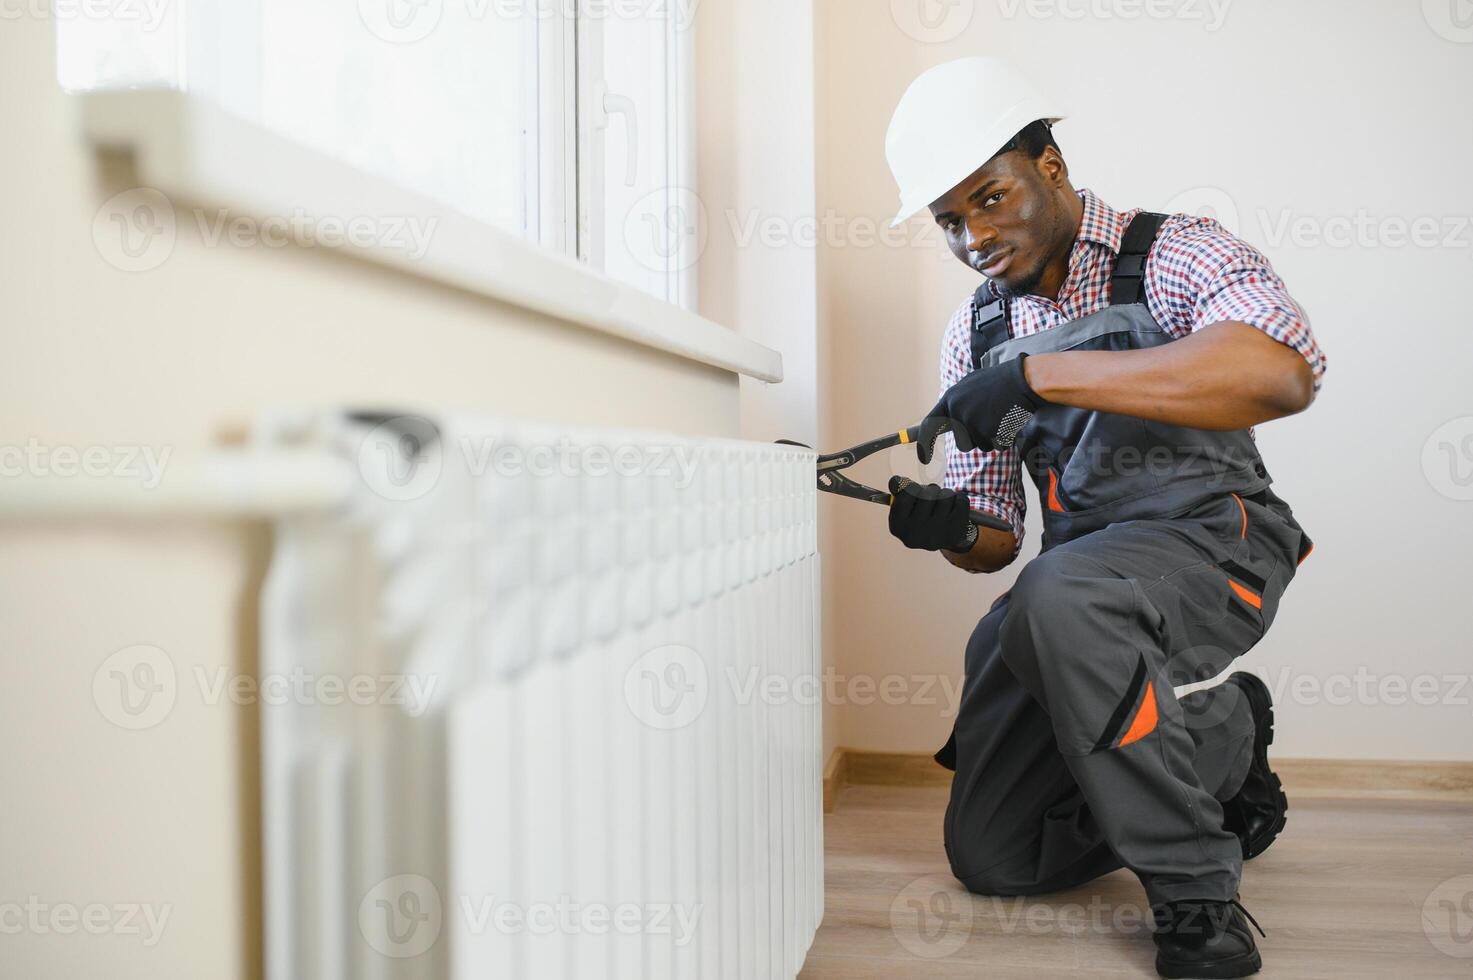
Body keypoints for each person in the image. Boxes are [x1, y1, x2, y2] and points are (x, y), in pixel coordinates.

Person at [882, 57, 1327, 979]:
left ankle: (1195, 894)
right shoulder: (975, 334)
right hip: (1074, 587)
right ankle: (1224, 734)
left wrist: (1042, 373)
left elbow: (1277, 374)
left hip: (1215, 539)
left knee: (1057, 593)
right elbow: (997, 536)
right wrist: (954, 530)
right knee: (997, 856)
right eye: (949, 222)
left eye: (989, 198)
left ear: (1050, 165)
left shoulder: (1176, 251)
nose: (974, 236)